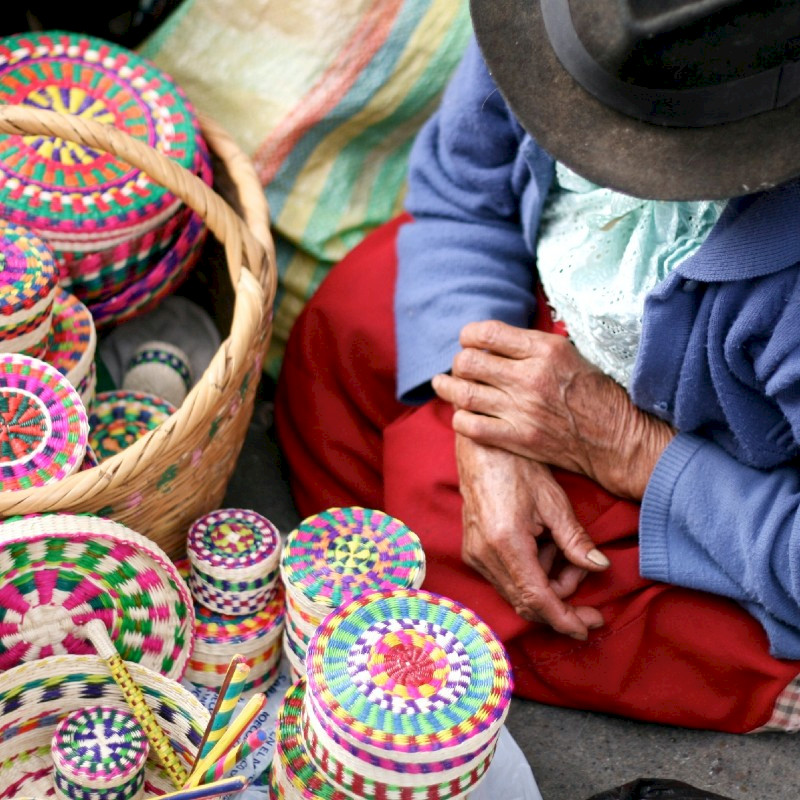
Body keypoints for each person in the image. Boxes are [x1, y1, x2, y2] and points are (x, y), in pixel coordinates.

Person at [275, 0, 800, 733]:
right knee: (354, 316)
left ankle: (727, 668)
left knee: (540, 576)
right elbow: (464, 194)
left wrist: (635, 449)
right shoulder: (562, 30)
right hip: (553, 328)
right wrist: (486, 426)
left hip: (717, 468)